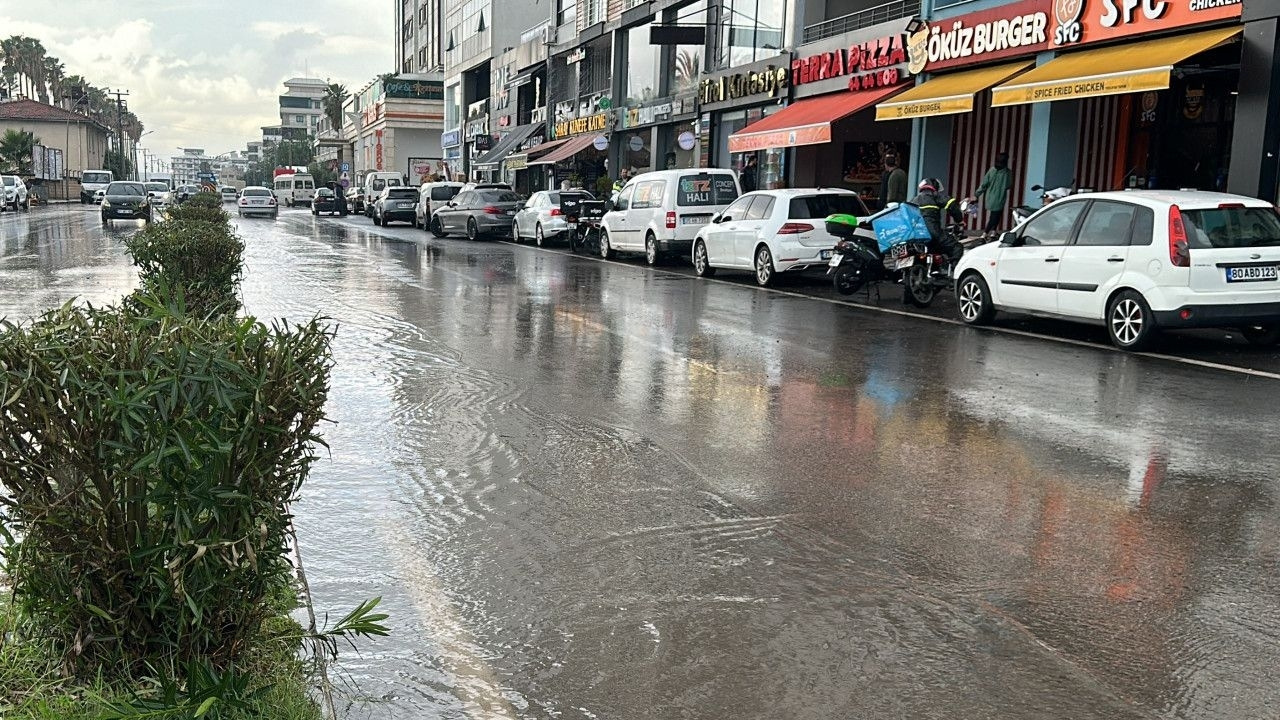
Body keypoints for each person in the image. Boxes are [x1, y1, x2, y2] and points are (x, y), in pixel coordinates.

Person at [910, 177, 964, 265]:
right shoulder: (934, 195)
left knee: (934, 249)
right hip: (933, 232)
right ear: (934, 186)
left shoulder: (914, 200)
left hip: (917, 236)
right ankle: (955, 273)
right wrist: (959, 220)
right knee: (957, 247)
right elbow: (952, 205)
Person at [974, 151, 1013, 237]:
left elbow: (984, 184)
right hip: (1000, 197)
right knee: (995, 216)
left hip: (989, 197)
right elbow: (1009, 185)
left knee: (995, 215)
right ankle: (985, 233)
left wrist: (976, 195)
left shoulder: (991, 170)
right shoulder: (1007, 172)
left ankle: (994, 232)